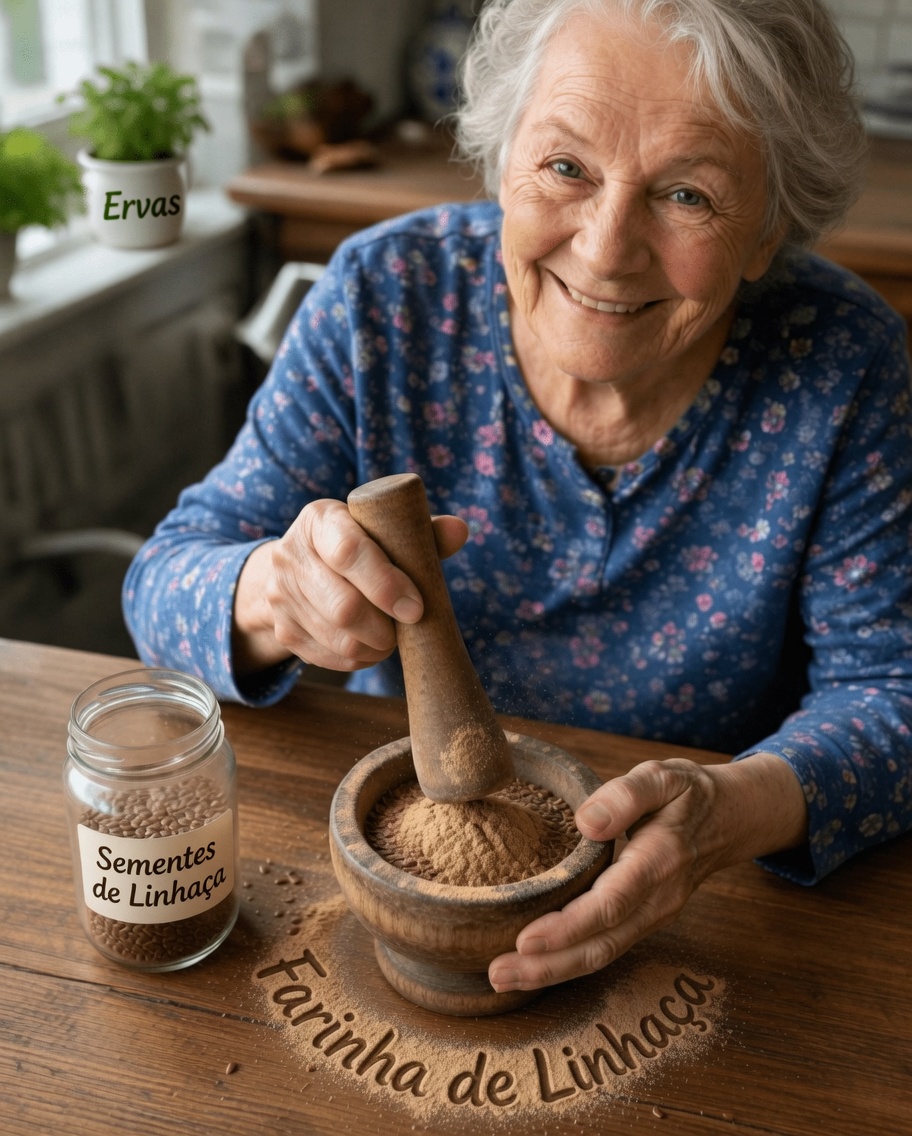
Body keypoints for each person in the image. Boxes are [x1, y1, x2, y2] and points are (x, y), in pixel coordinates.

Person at [124, 0, 912, 996]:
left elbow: (893, 694)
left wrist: (737, 806)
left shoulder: (840, 361)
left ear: (767, 227)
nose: (607, 245)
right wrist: (269, 592)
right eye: (566, 167)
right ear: (501, 159)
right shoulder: (385, 299)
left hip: (706, 921)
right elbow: (161, 582)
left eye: (687, 194)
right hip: (412, 879)